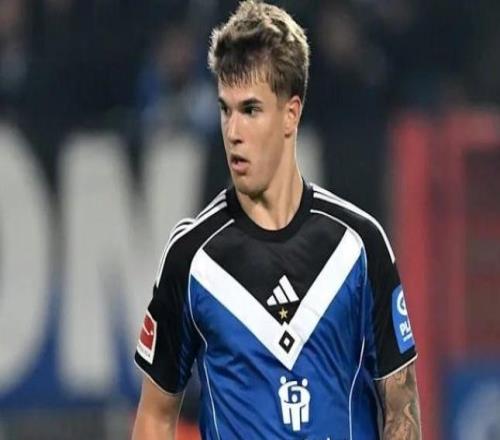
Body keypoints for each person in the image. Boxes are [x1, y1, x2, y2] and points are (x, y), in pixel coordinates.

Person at [132, 1, 421, 439]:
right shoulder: (192, 258)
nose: (233, 131)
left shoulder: (359, 247)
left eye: (250, 110)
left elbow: (401, 405)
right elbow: (155, 416)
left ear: (291, 113)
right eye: (225, 109)